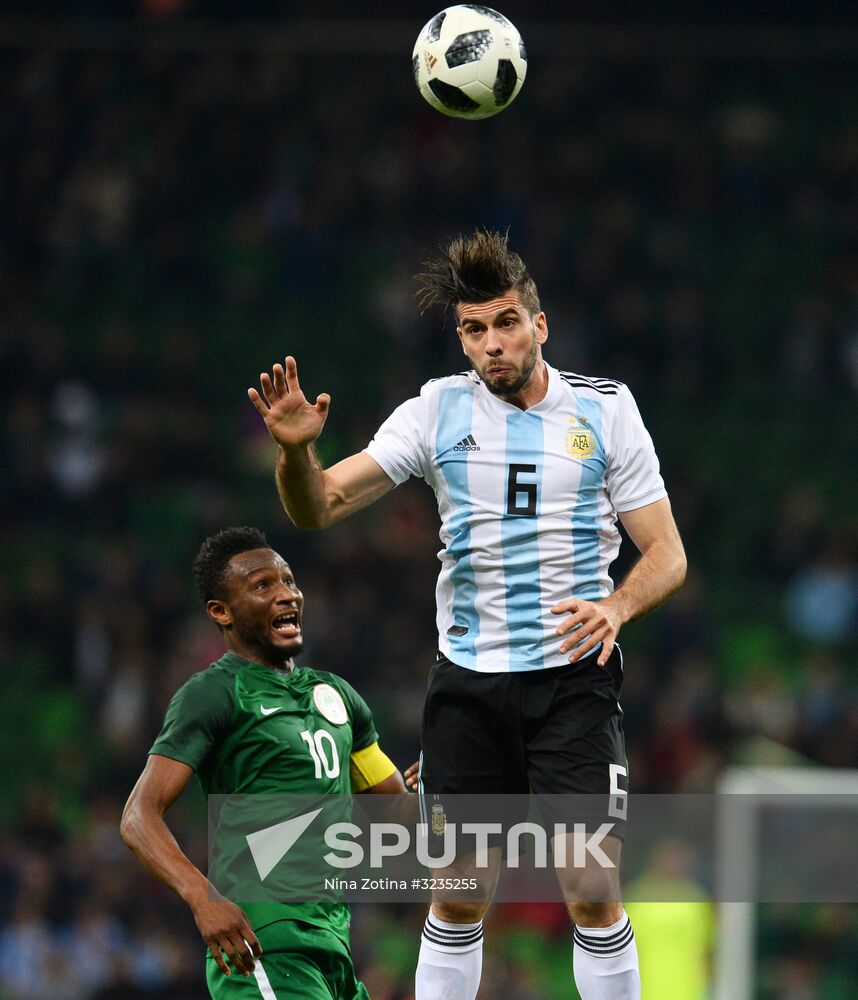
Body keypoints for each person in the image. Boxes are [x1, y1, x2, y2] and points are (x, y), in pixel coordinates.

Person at [248, 230, 687, 1000]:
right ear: (462, 337)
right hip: (469, 687)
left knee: (589, 883)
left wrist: (617, 606)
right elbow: (319, 507)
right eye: (475, 329)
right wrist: (294, 454)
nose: (493, 343)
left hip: (572, 684)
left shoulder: (606, 411)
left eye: (507, 322)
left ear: (539, 325)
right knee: (455, 892)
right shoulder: (437, 411)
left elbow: (667, 555)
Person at [120, 526, 407, 999]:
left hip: (333, 943)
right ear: (221, 612)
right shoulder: (213, 692)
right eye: (262, 586)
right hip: (264, 941)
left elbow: (394, 807)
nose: (286, 595)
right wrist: (202, 898)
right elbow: (137, 816)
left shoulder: (337, 695)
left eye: (289, 581)